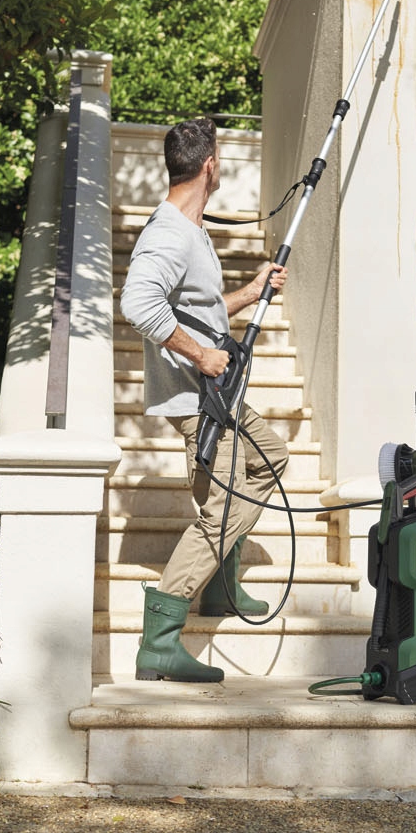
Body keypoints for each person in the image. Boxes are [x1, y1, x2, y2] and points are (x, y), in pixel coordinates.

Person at [119, 117, 289, 682]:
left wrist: (252, 291)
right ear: (210, 166)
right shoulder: (169, 232)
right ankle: (160, 641)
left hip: (214, 395)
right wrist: (200, 356)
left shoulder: (190, 230)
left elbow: (201, 308)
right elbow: (138, 303)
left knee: (263, 461)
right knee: (227, 501)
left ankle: (219, 587)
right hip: (198, 396)